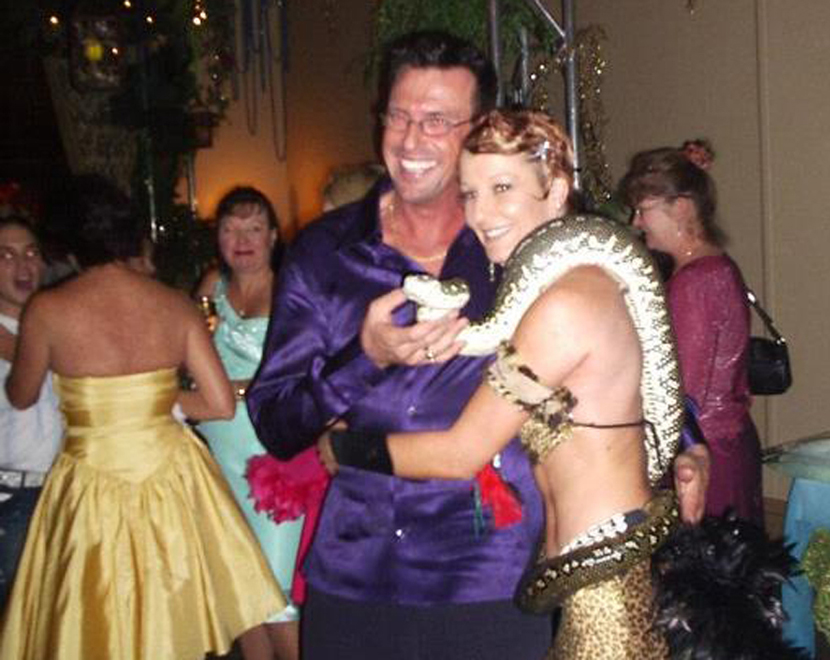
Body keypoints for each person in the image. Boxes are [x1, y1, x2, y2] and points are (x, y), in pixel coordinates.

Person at [247, 31, 708, 660]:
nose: (411, 139)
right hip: (356, 575)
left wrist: (688, 443)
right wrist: (365, 358)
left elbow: (620, 341)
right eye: (399, 116)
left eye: (437, 120)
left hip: (489, 578)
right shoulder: (323, 253)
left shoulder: (515, 244)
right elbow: (276, 424)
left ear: (477, 131)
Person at [322, 108, 681, 660]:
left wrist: (345, 449)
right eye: (469, 194)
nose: (480, 213)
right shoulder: (555, 290)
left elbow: (460, 453)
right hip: (579, 569)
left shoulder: (567, 304)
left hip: (604, 585)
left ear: (555, 191)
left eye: (502, 188)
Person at [0, 176, 286, 660]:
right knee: (171, 619)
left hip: (92, 483)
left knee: (97, 621)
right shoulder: (173, 304)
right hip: (172, 479)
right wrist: (149, 402)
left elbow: (22, 396)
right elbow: (219, 403)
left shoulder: (48, 310)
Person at [620, 142, 763, 525]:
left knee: (701, 557)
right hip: (724, 443)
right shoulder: (714, 266)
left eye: (643, 209)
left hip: (702, 452)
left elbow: (683, 390)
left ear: (681, 208)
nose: (636, 222)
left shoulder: (695, 281)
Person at [195, 186, 306, 660]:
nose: (241, 240)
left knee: (275, 592)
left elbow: (304, 373)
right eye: (230, 229)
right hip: (217, 449)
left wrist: (233, 391)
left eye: (254, 228)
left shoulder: (290, 288)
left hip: (270, 450)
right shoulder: (210, 287)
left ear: (273, 236)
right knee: (237, 588)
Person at [0, 217, 63, 613]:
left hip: (63, 493)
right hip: (13, 497)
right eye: (6, 256)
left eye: (30, 253)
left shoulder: (58, 324)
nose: (23, 266)